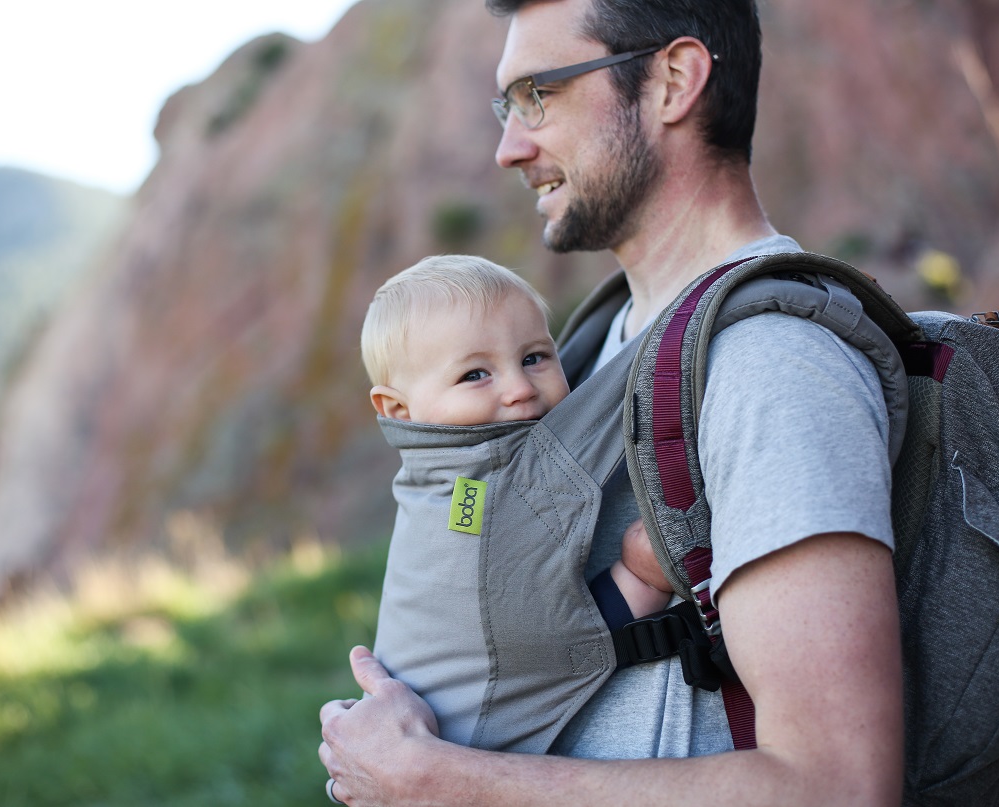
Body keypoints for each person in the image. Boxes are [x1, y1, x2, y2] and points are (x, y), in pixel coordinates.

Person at [320, 0, 904, 804]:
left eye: (540, 94)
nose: (509, 146)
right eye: (506, 105)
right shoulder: (596, 347)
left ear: (672, 81)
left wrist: (441, 780)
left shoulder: (771, 363)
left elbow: (837, 785)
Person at [362, 252, 672, 651]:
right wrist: (639, 578)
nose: (521, 388)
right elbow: (530, 639)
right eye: (475, 375)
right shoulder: (477, 498)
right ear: (400, 411)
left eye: (533, 358)